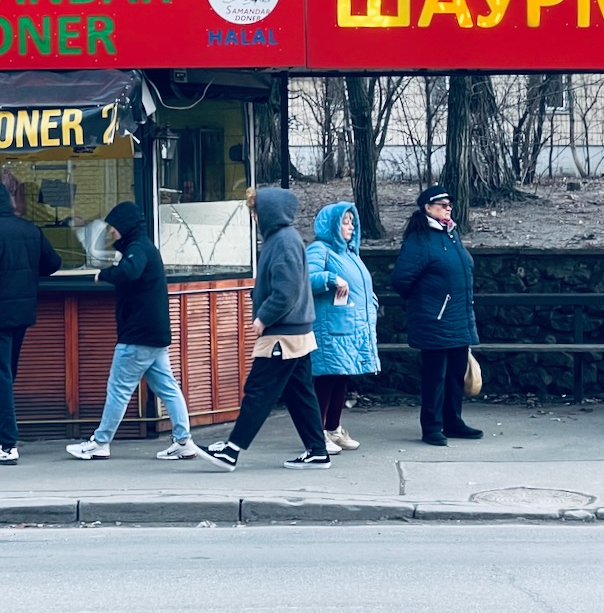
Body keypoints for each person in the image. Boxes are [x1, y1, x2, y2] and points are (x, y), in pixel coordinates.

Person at [195, 187, 331, 471]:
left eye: (256, 211)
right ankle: (317, 450)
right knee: (299, 392)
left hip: (283, 333)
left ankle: (231, 450)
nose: (255, 217)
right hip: (296, 333)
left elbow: (286, 291)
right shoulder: (285, 239)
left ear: (269, 212)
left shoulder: (282, 242)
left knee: (259, 390)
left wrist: (263, 317)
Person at [66, 201, 198, 462]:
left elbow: (130, 271)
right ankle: (184, 441)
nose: (111, 232)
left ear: (124, 226)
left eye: (113, 227)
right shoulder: (143, 246)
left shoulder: (137, 248)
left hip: (138, 335)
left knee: (118, 389)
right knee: (168, 388)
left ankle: (100, 442)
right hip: (154, 334)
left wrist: (105, 274)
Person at [0, 180, 62, 465]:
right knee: (5, 374)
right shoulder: (30, 230)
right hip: (22, 313)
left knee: (0, 376)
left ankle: (7, 444)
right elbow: (53, 264)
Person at [390, 185, 481, 446]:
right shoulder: (420, 239)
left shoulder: (451, 234)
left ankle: (453, 422)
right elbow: (401, 279)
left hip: (458, 317)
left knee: (455, 373)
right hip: (434, 320)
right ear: (428, 208)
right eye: (441, 204)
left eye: (449, 203)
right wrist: (427, 303)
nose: (448, 207)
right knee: (435, 376)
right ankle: (431, 427)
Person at [306, 201, 380, 452]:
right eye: (345, 222)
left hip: (350, 325)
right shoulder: (319, 250)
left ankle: (333, 428)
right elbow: (305, 278)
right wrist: (329, 278)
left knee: (342, 376)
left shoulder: (350, 254)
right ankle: (317, 433)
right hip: (330, 326)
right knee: (327, 378)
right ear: (332, 225)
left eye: (352, 222)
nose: (350, 227)